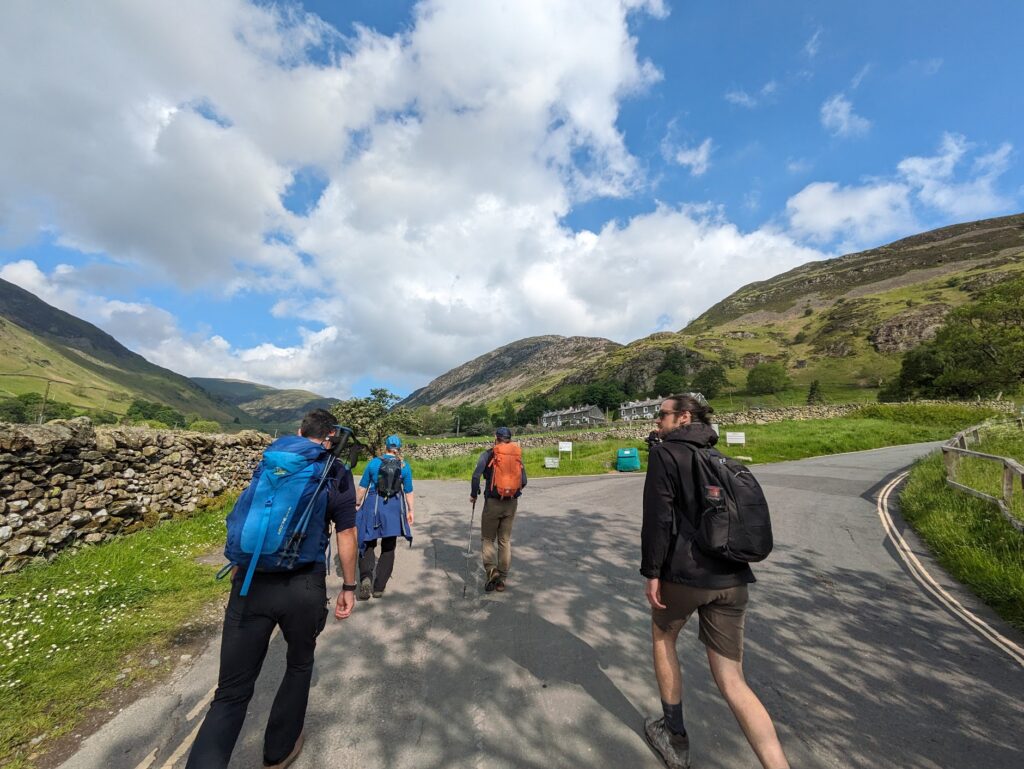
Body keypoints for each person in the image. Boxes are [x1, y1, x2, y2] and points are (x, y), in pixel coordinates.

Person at [186, 409, 358, 769]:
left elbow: (250, 516)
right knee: (298, 665)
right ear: (330, 437)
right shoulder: (335, 471)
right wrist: (349, 584)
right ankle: (278, 752)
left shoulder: (270, 464)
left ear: (298, 432)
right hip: (303, 586)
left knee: (230, 693)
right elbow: (346, 533)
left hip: (250, 582)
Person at [640, 394, 789, 769]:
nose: (657, 421)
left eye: (662, 415)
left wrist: (652, 573)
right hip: (733, 576)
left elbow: (658, 519)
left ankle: (674, 737)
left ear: (683, 417)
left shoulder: (665, 455)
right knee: (733, 680)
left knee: (663, 636)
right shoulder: (716, 455)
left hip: (686, 574)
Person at [354, 434, 414, 600]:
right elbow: (408, 491)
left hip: (373, 505)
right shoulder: (404, 466)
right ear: (398, 448)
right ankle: (379, 587)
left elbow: (362, 487)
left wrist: (357, 503)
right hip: (393, 507)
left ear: (385, 446)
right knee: (388, 546)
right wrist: (410, 510)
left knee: (368, 541)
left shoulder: (373, 463)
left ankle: (366, 577)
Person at [470, 426, 527, 593]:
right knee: (505, 540)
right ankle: (502, 580)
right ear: (509, 438)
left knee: (488, 539)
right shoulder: (517, 455)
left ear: (496, 437)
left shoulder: (489, 454)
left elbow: (475, 476)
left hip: (493, 502)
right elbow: (524, 480)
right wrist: (512, 491)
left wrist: (474, 494)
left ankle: (491, 571)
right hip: (511, 503)